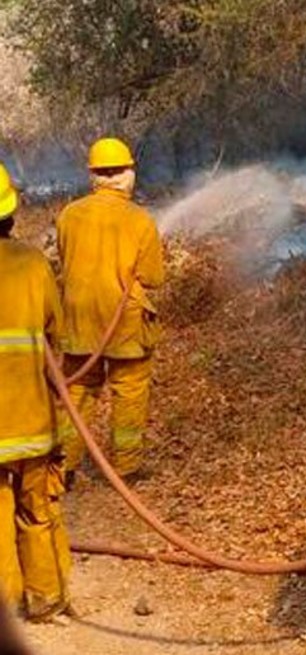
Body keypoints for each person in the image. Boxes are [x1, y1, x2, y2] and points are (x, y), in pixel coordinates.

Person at [56, 138, 164, 481]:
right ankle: (126, 468)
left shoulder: (69, 215)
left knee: (77, 392)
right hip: (124, 323)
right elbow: (153, 277)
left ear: (94, 175)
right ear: (127, 173)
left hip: (78, 319)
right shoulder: (140, 220)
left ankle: (63, 466)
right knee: (129, 391)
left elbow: (65, 259)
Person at [0, 162, 74, 622]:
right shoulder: (32, 264)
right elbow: (56, 333)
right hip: (31, 419)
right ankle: (45, 598)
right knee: (37, 509)